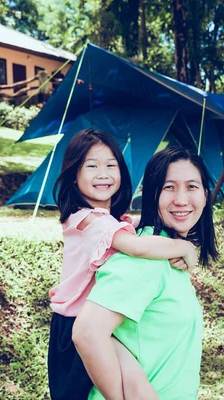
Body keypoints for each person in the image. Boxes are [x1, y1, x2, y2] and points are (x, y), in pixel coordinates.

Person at [47, 131, 200, 400]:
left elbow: (131, 227)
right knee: (123, 384)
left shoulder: (108, 219)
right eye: (92, 166)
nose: (103, 174)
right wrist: (185, 247)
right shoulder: (90, 220)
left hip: (90, 318)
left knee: (132, 378)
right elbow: (137, 246)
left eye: (111, 165)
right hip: (74, 324)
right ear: (73, 175)